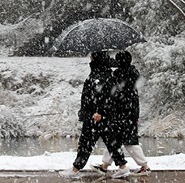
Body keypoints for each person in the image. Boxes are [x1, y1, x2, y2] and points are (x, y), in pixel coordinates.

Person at [59, 51, 129, 179]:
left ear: (97, 59)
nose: (90, 58)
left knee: (86, 142)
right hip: (98, 116)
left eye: (92, 56)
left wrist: (99, 112)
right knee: (111, 142)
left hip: (95, 116)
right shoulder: (104, 74)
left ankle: (75, 169)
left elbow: (104, 96)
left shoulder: (100, 75)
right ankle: (123, 167)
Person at [92, 50, 151, 178]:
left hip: (122, 113)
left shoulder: (120, 75)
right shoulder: (132, 73)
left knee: (128, 142)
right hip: (130, 113)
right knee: (115, 141)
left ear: (120, 62)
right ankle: (104, 166)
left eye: (117, 60)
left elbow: (113, 95)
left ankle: (144, 167)